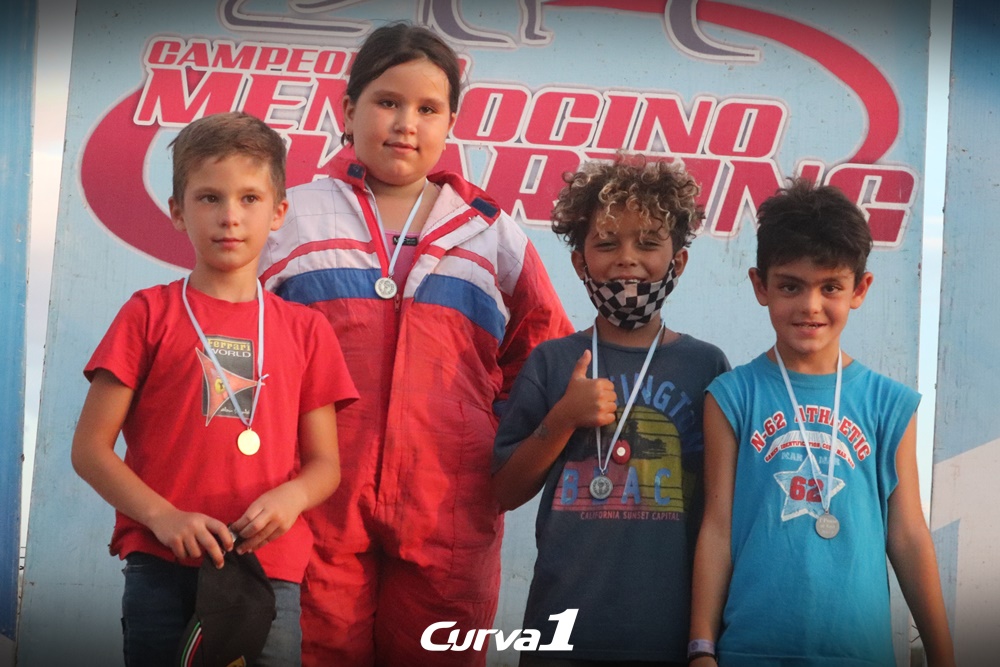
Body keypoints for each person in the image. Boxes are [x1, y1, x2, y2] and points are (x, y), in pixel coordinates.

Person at [257, 22, 572, 667]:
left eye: (428, 109)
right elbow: (238, 336)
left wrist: (491, 435)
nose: (406, 124)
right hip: (317, 497)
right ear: (348, 110)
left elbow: (544, 350)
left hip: (450, 506)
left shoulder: (489, 231)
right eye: (387, 102)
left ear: (451, 123)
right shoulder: (292, 217)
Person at [71, 111, 358, 667]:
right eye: (209, 198)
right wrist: (163, 517)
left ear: (278, 212)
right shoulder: (146, 315)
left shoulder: (307, 330)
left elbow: (326, 466)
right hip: (161, 564)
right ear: (177, 212)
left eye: (250, 198)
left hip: (267, 570)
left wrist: (292, 497)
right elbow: (89, 450)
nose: (230, 216)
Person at [689, 178, 955, 666]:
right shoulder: (731, 396)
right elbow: (717, 529)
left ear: (859, 289)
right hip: (750, 652)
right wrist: (701, 647)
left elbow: (908, 535)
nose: (810, 306)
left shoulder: (889, 403)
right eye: (791, 286)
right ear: (761, 286)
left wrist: (943, 655)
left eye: (830, 286)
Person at [492, 154, 730, 665]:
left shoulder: (707, 367)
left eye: (648, 243)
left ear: (678, 262)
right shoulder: (553, 362)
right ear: (580, 263)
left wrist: (705, 642)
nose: (627, 259)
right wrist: (561, 419)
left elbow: (721, 514)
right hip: (560, 633)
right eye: (605, 243)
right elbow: (503, 492)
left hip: (670, 636)